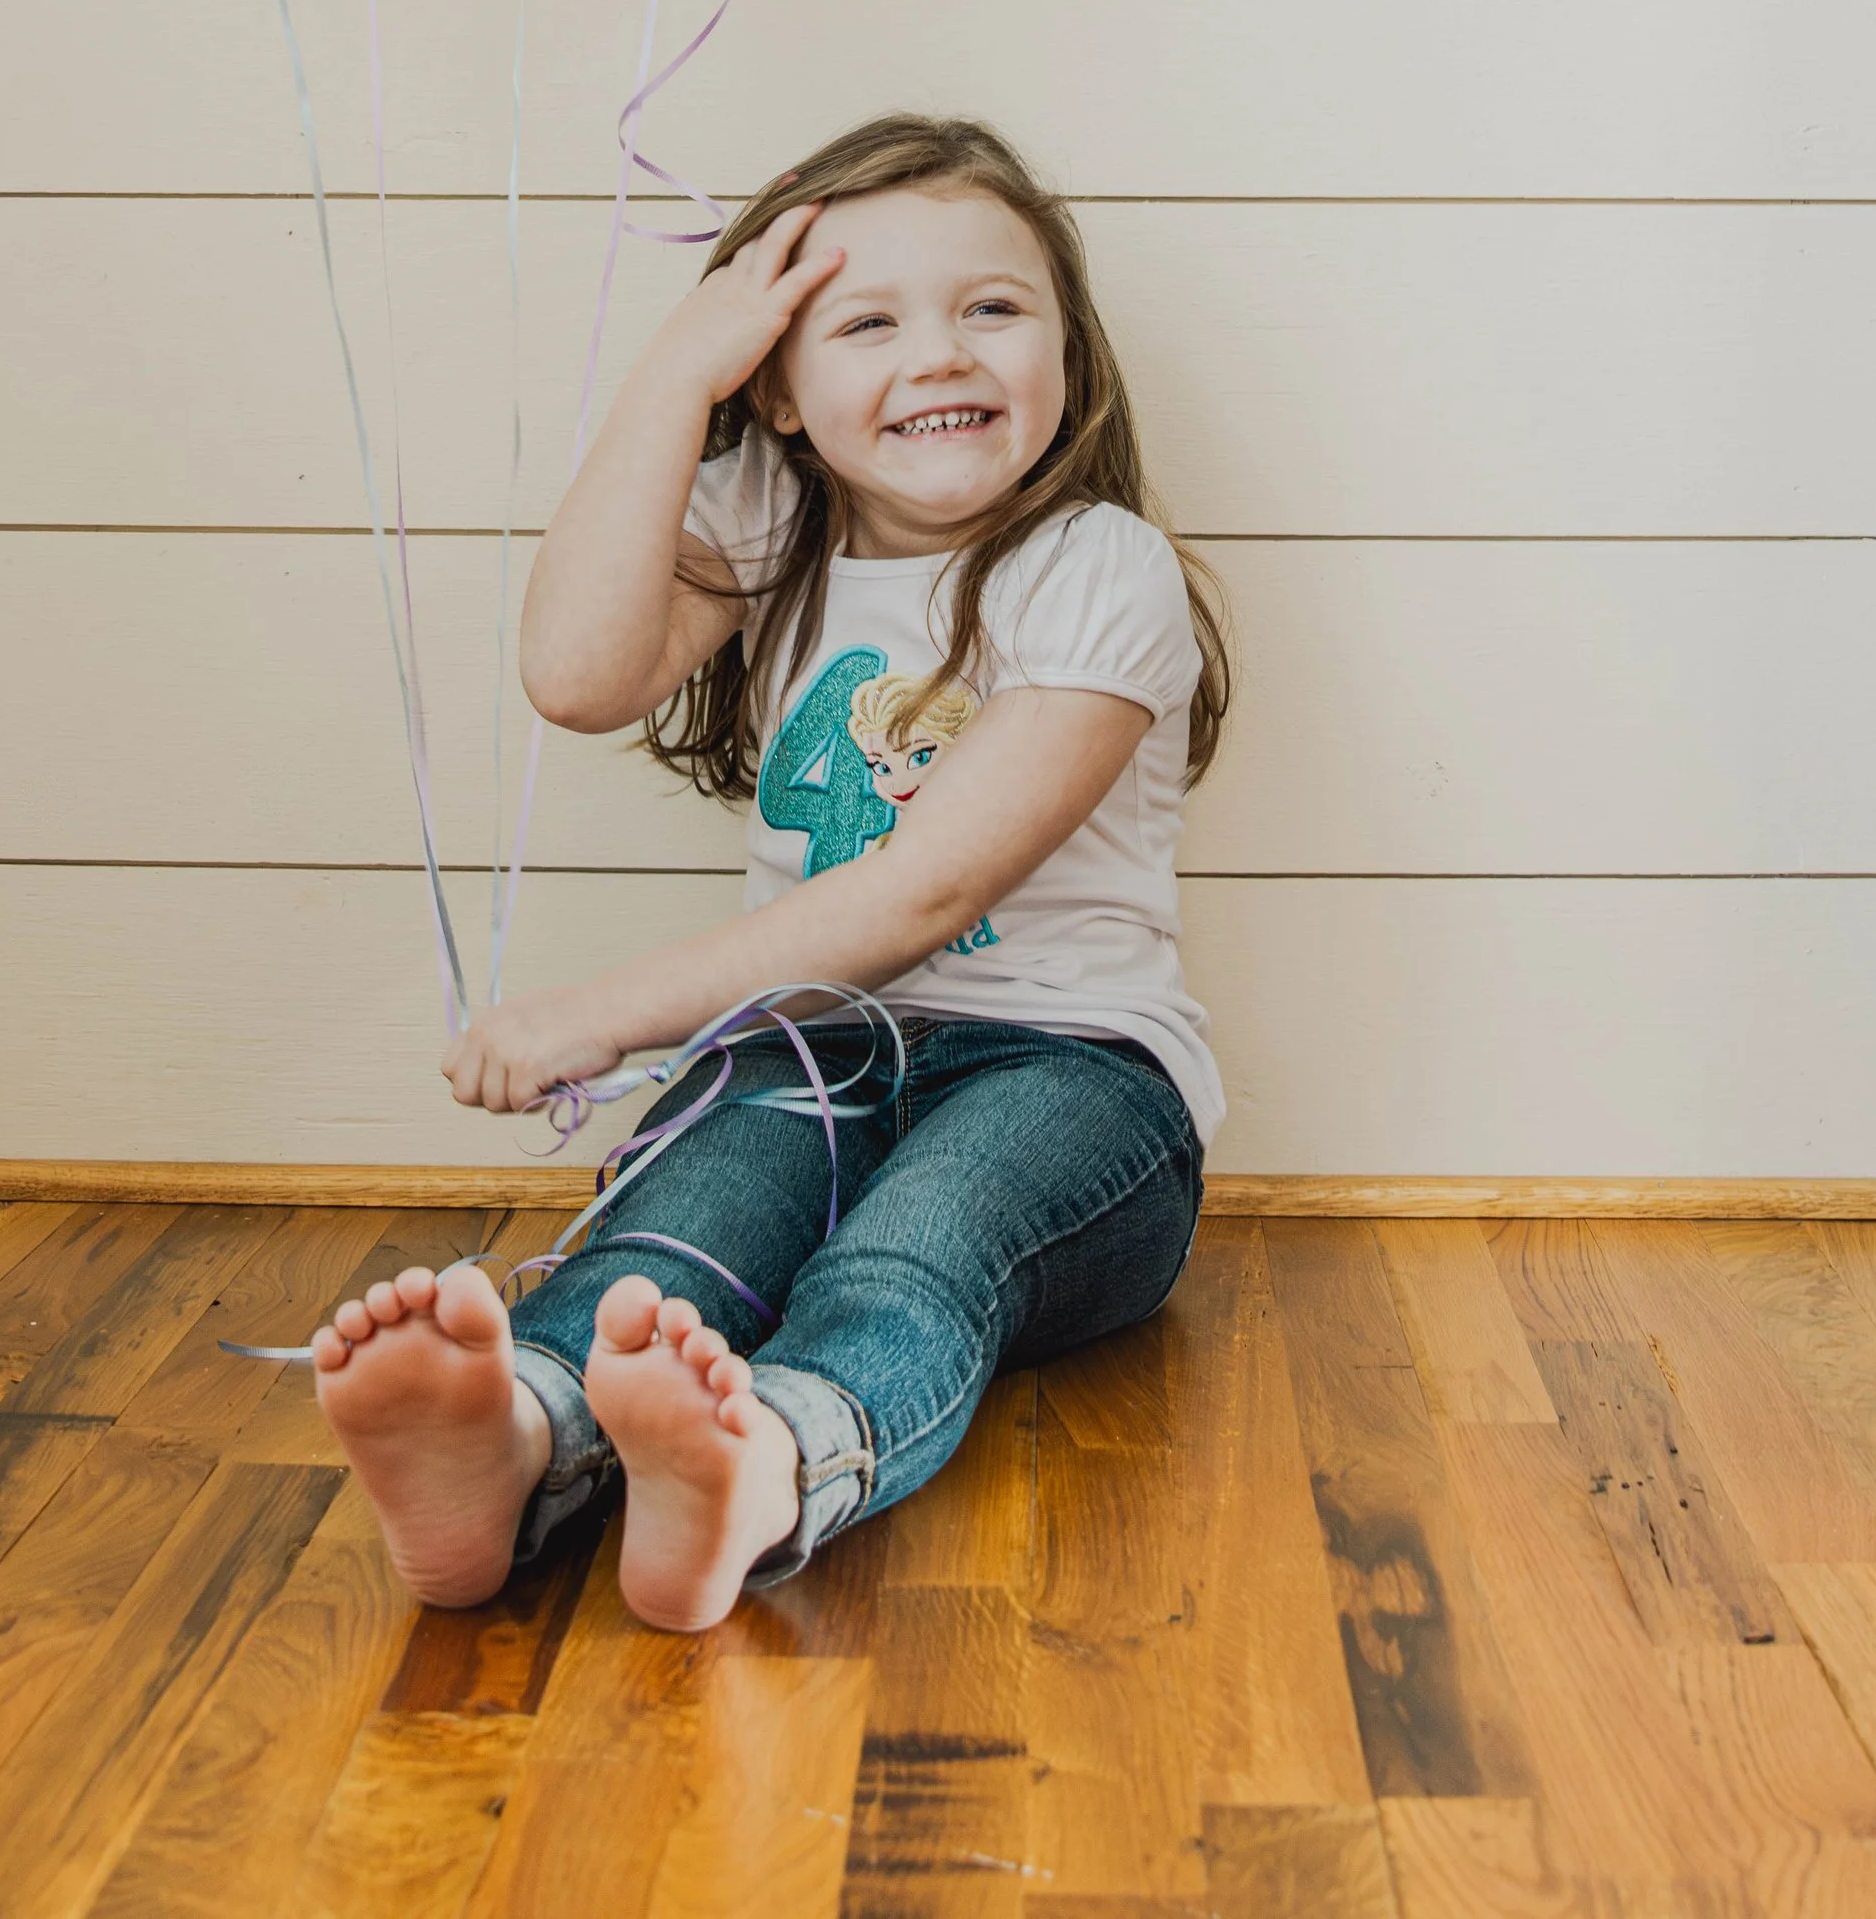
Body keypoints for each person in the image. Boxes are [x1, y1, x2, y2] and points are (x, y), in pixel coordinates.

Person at [310, 112, 1231, 1631]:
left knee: (919, 1239)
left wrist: (607, 1014)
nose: (940, 353)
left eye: (993, 309)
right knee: (695, 1216)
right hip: (809, 1042)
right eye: (868, 322)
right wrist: (680, 369)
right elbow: (573, 671)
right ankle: (520, 1435)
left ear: (1071, 352)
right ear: (785, 397)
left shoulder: (1099, 567)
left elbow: (919, 894)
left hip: (1078, 1077)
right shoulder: (773, 525)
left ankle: (780, 1459)